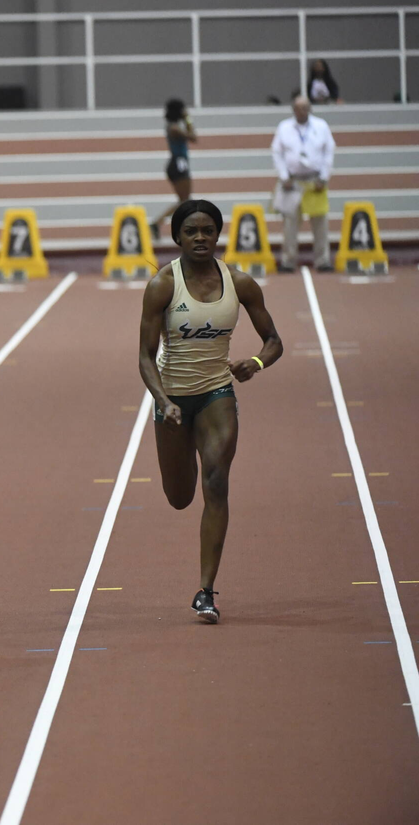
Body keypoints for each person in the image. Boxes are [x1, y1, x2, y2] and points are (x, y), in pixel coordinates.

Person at [138, 199, 283, 624]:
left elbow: (274, 340)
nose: (200, 237)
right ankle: (176, 441)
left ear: (218, 235)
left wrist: (254, 363)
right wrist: (163, 402)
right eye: (191, 231)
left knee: (217, 480)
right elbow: (146, 358)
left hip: (217, 394)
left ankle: (206, 591)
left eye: (207, 230)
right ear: (177, 238)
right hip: (173, 400)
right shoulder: (163, 285)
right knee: (181, 498)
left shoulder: (240, 283)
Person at [272, 95, 336, 272]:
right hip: (292, 182)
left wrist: (324, 177)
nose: (302, 111)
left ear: (310, 109)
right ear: (293, 110)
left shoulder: (321, 126)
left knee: (320, 223)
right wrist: (284, 176)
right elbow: (277, 152)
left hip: (315, 181)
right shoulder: (284, 127)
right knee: (289, 224)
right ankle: (288, 261)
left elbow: (329, 151)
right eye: (298, 108)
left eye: (305, 108)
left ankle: (323, 260)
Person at [150, 99, 197, 238]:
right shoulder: (174, 128)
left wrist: (187, 120)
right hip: (178, 163)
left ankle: (161, 224)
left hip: (179, 163)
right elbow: (193, 137)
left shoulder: (174, 126)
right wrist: (188, 118)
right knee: (185, 201)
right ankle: (158, 223)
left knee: (185, 201)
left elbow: (191, 135)